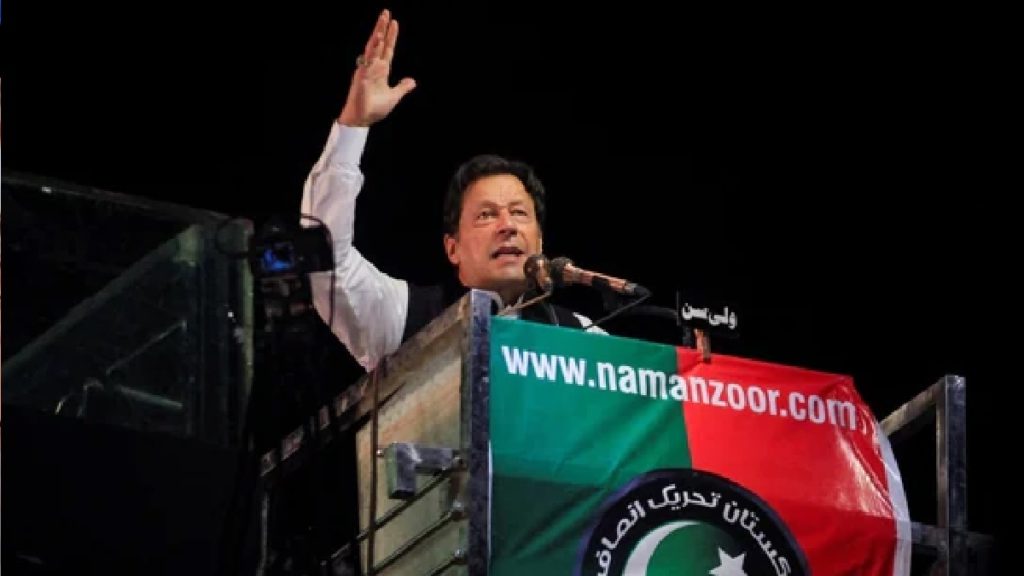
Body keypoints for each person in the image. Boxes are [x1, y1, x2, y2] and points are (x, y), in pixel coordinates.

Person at [300, 9, 602, 372]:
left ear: (539, 242)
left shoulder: (584, 336)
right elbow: (323, 260)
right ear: (452, 247)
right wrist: (354, 125)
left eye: (519, 213)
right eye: (486, 215)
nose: (507, 226)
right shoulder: (403, 316)